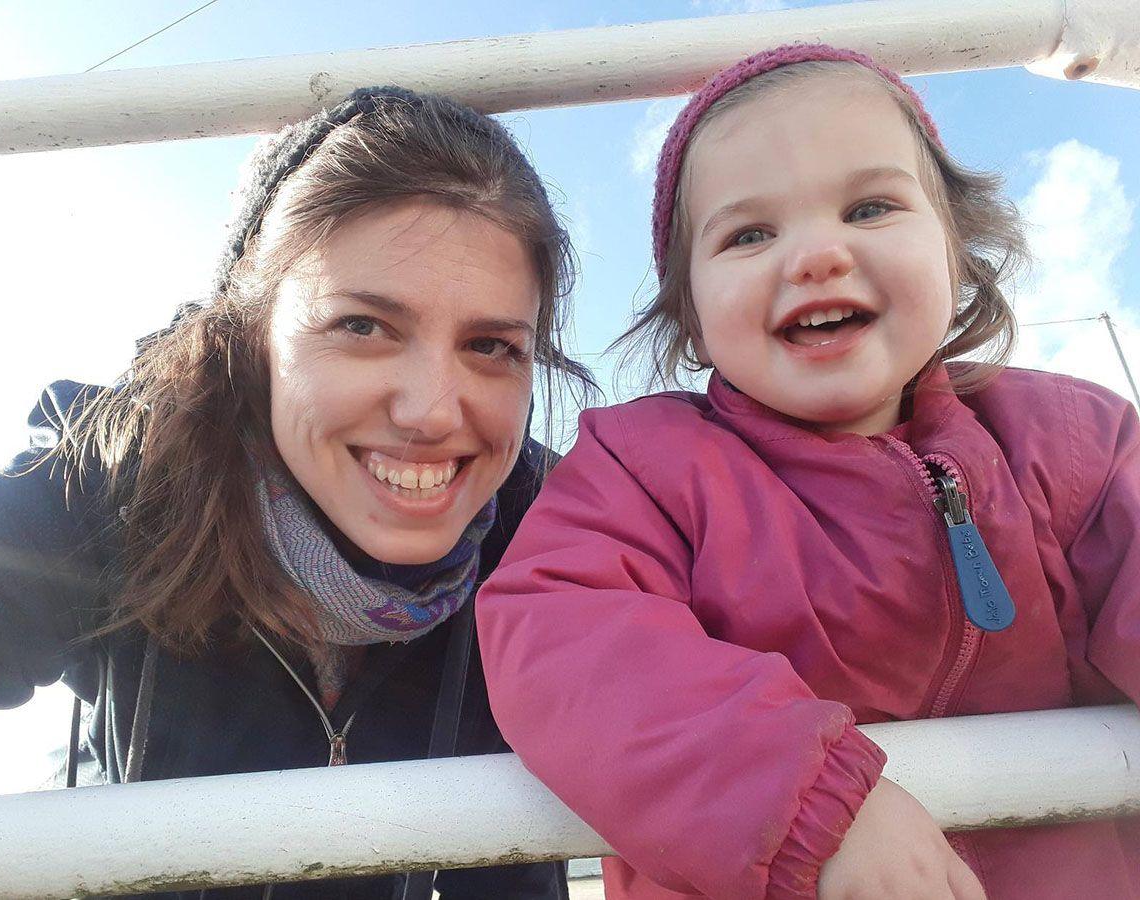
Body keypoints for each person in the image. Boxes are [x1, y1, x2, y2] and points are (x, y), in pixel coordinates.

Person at [476, 44, 1140, 900]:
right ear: (691, 310)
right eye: (751, 233)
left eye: (868, 208)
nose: (817, 255)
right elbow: (560, 637)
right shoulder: (642, 470)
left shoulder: (1073, 438)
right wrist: (807, 806)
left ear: (955, 245)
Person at [0, 86, 592, 899]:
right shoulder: (110, 481)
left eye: (492, 345)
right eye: (363, 325)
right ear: (249, 337)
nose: (431, 410)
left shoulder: (563, 538)